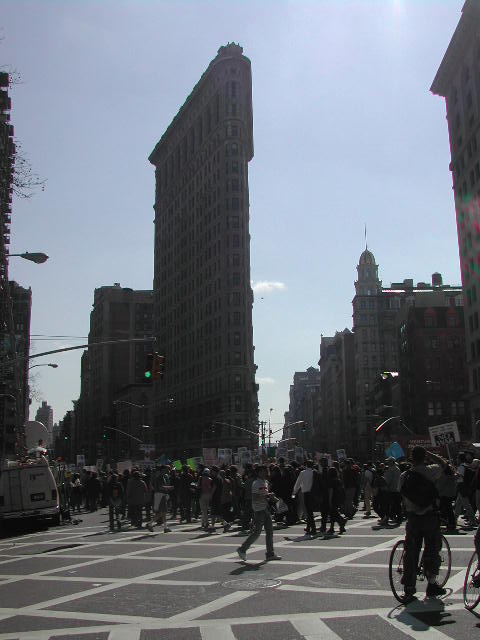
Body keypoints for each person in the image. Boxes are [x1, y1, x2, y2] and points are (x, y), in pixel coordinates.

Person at [400, 446, 448, 602]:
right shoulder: (431, 470)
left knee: (411, 552)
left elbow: (401, 494)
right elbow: (445, 465)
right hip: (429, 517)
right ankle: (432, 584)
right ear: (424, 457)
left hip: (413, 518)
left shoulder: (404, 475)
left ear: (411, 458)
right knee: (433, 549)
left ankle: (408, 588)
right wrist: (432, 455)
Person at [237, 465, 282, 562]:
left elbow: (263, 496)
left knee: (269, 532)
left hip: (265, 509)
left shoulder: (265, 482)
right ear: (257, 472)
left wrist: (270, 497)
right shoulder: (256, 483)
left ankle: (270, 553)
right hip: (259, 510)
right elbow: (255, 497)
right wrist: (269, 496)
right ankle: (242, 549)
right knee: (257, 533)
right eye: (262, 471)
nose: (265, 472)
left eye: (265, 470)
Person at [292, 459, 316, 535]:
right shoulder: (314, 472)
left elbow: (298, 483)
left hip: (306, 493)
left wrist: (294, 492)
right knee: (310, 510)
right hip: (313, 493)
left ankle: (313, 528)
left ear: (306, 465)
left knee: (309, 511)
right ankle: (309, 527)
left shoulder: (302, 473)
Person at [148, 464, 173, 533]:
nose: (168, 471)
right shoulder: (160, 477)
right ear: (163, 470)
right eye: (167, 469)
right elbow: (160, 487)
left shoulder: (161, 476)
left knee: (163, 512)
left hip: (160, 495)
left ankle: (165, 527)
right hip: (160, 495)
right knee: (163, 512)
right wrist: (169, 487)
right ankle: (150, 523)